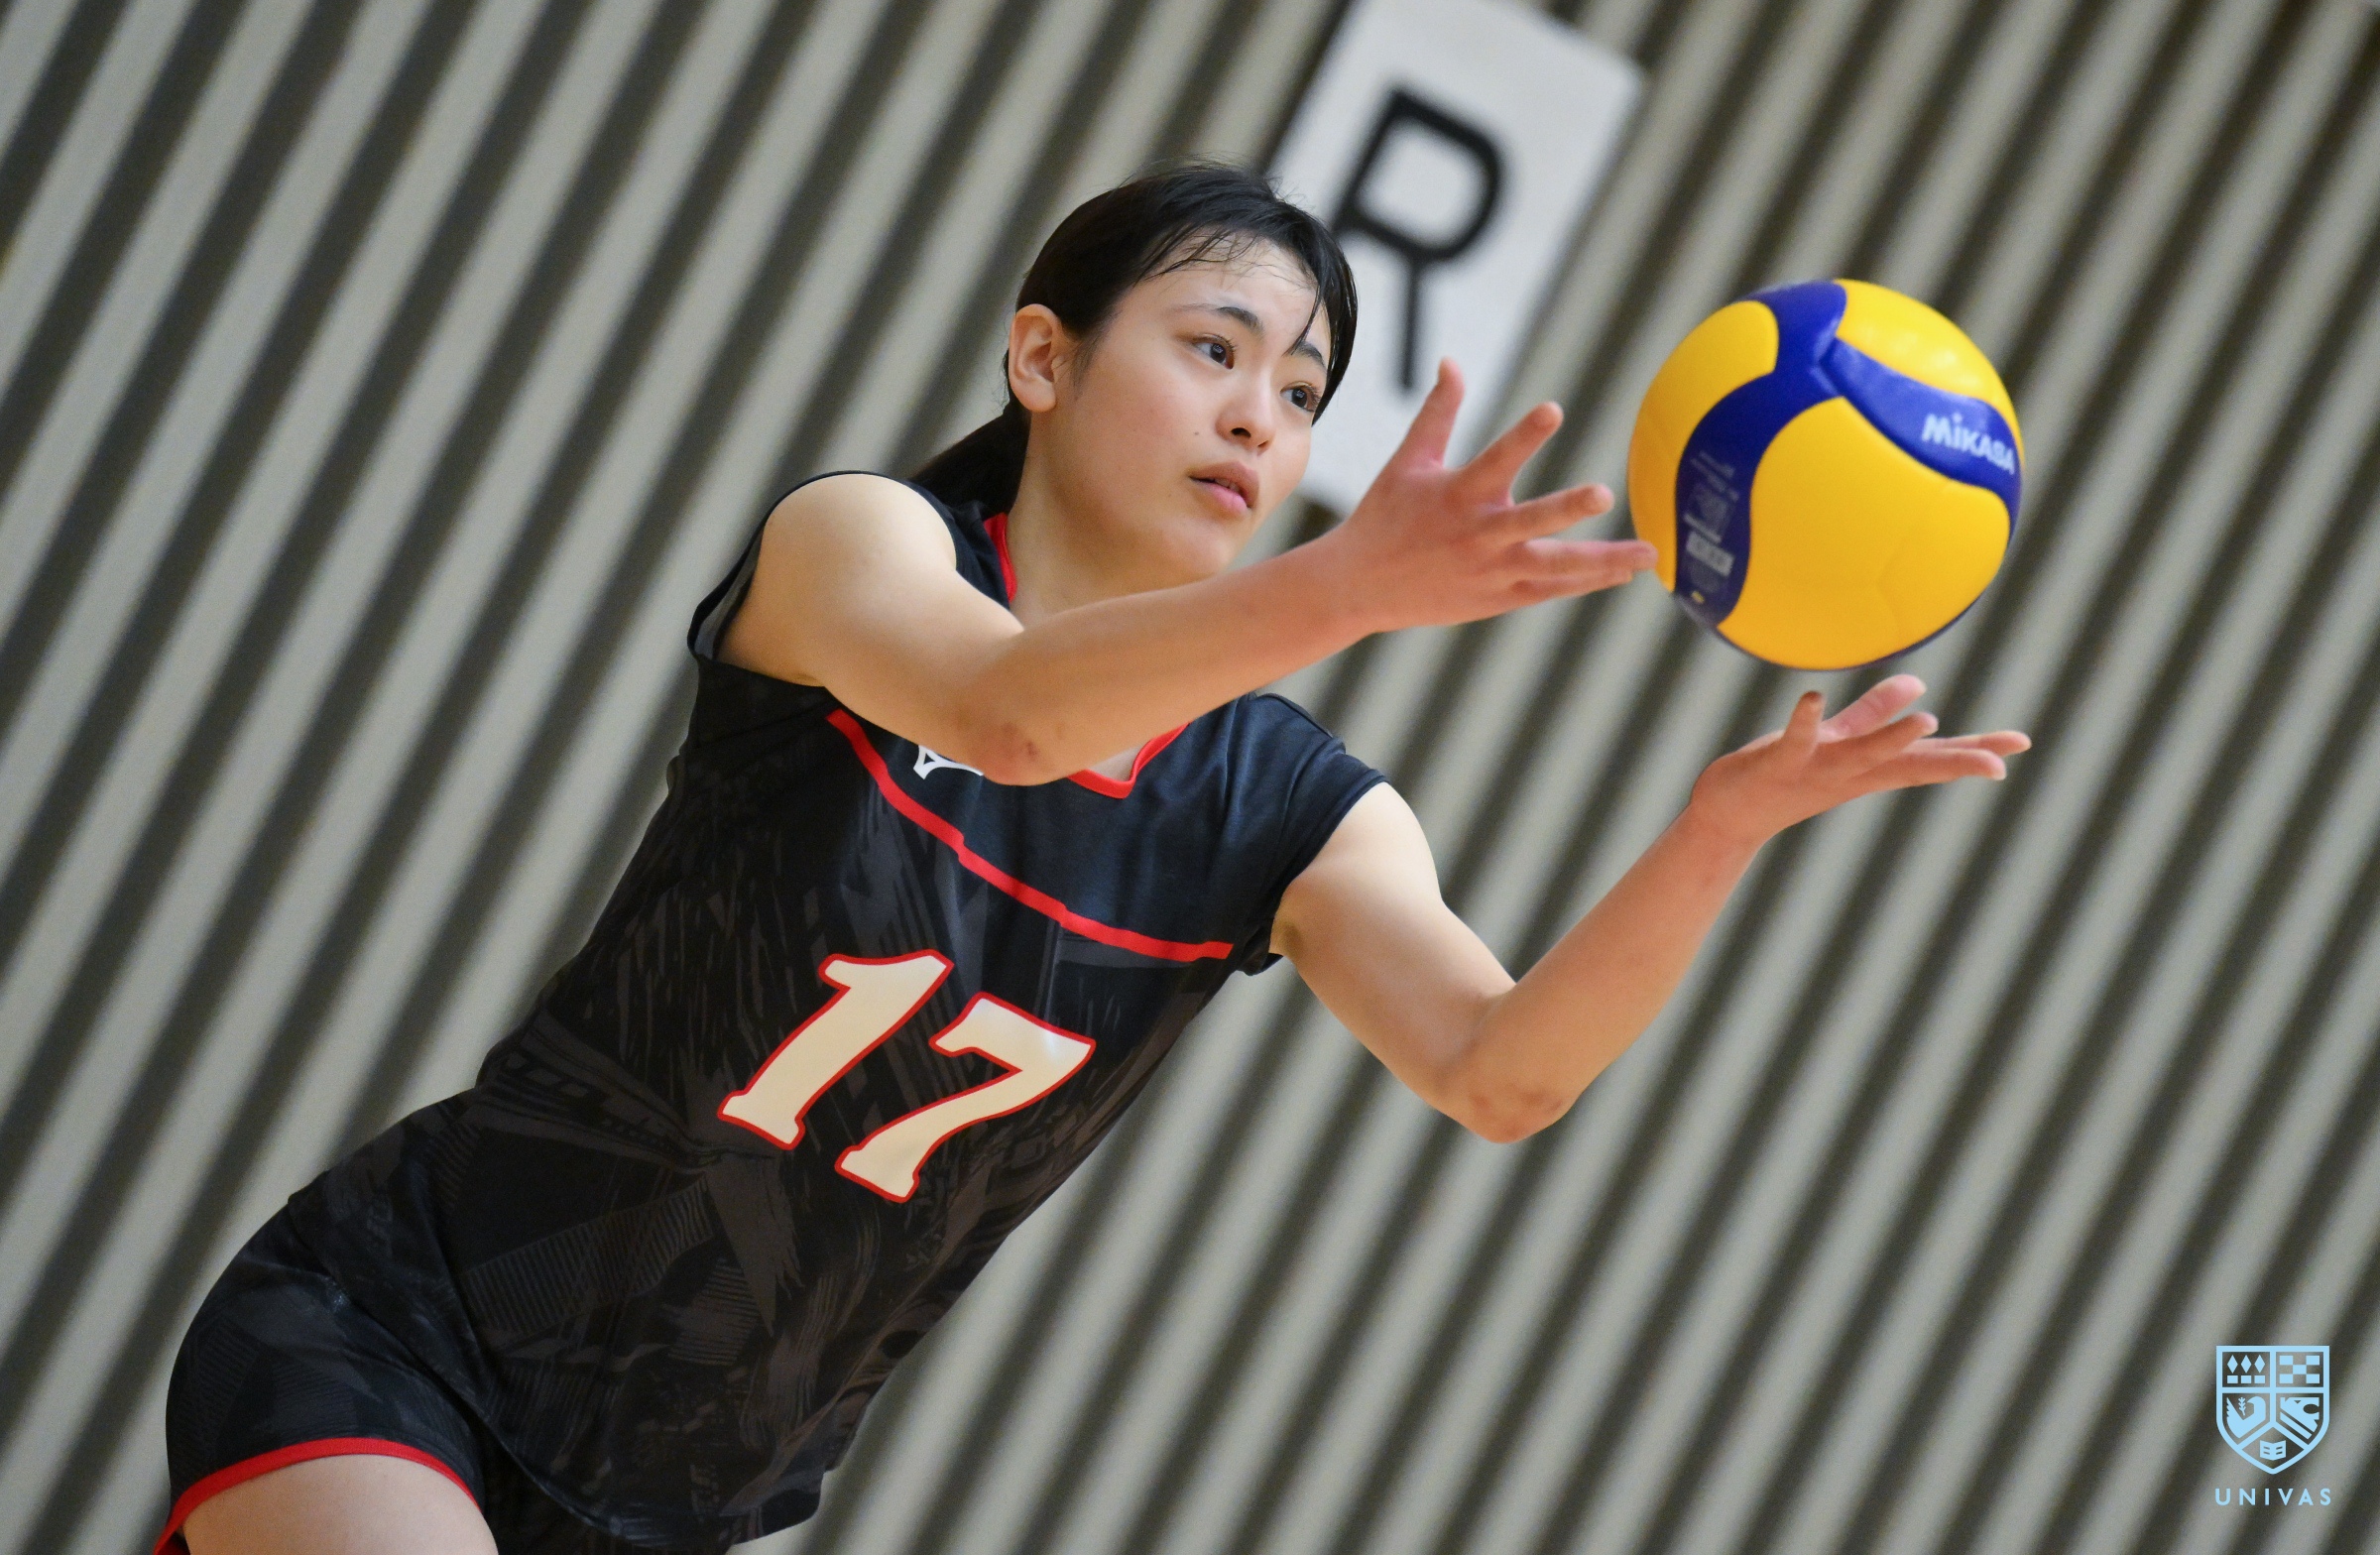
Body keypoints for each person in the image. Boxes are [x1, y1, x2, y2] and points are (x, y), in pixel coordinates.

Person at [158, 164, 2026, 1555]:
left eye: (1302, 394)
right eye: (1215, 350)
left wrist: (1718, 833)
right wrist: (1349, 588)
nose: (1259, 416)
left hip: (685, 1501)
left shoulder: (1286, 806)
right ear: (1041, 357)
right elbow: (1011, 718)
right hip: (402, 1339)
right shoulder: (864, 549)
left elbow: (1501, 1071)